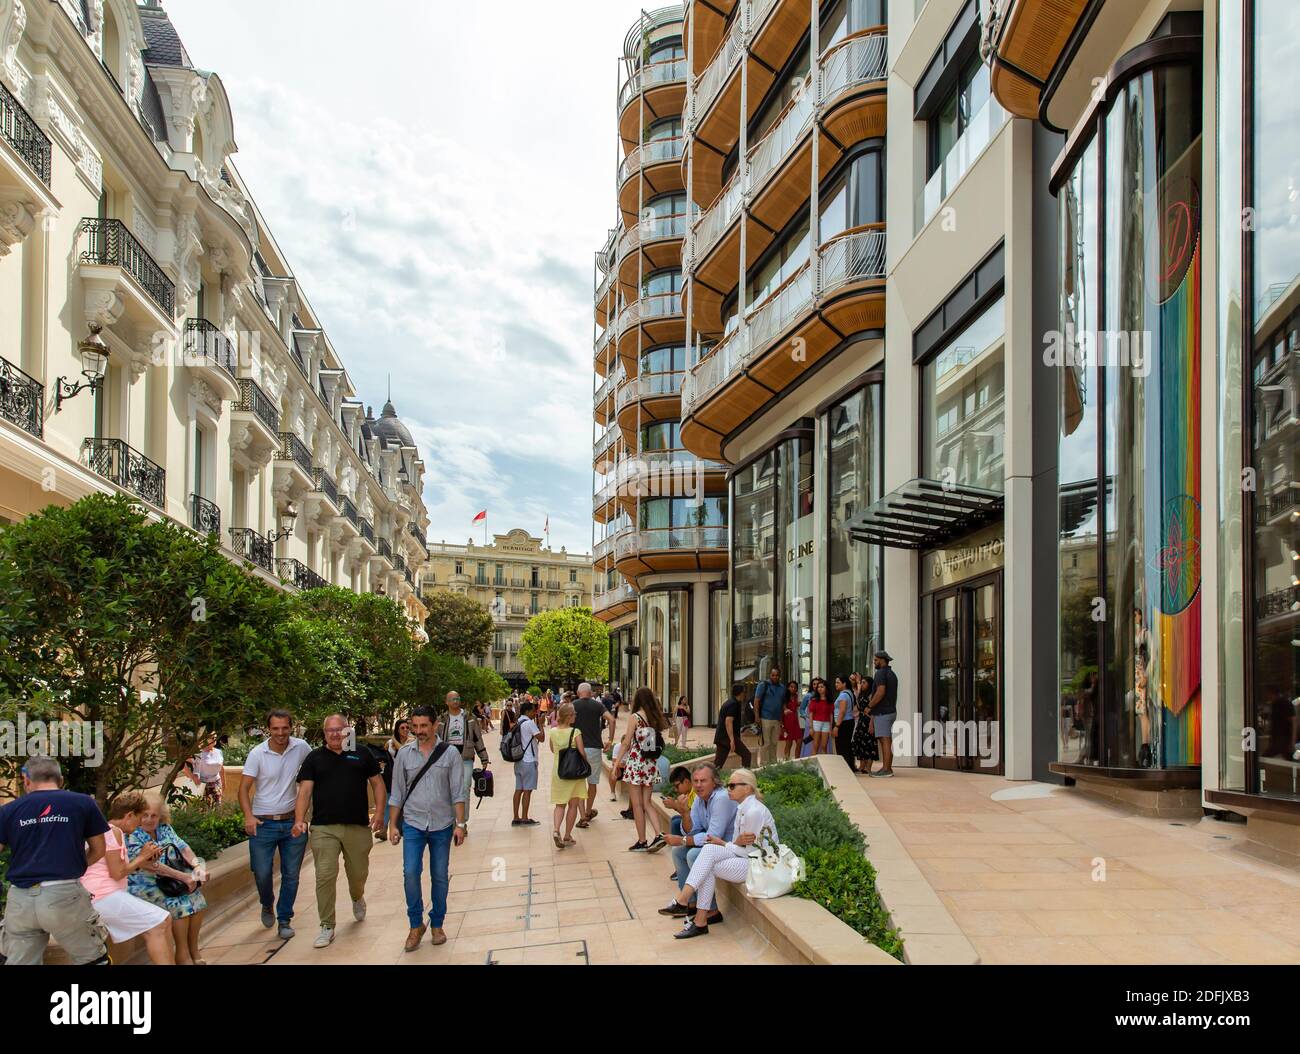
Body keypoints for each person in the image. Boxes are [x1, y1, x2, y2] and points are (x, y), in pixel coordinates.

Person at [0, 757, 112, 965]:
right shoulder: (83, 803)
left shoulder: (8, 810)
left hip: (20, 900)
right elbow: (99, 850)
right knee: (91, 959)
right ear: (60, 781)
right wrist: (71, 866)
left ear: (26, 781)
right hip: (64, 896)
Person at [293, 714, 386, 948]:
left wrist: (380, 813)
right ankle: (327, 925)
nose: (335, 734)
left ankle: (357, 896)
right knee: (325, 875)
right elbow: (304, 792)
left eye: (339, 729)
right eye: (329, 731)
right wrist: (299, 820)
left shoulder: (361, 753)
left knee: (358, 873)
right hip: (324, 827)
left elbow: (378, 784)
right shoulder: (314, 758)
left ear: (347, 730)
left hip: (357, 825)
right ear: (324, 733)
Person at [388, 704, 468, 952]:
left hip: (442, 824)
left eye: (424, 726)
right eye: (415, 726)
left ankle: (437, 923)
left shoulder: (449, 754)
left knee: (440, 876)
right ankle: (415, 925)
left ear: (435, 726)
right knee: (410, 873)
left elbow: (458, 791)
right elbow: (397, 793)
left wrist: (460, 824)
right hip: (413, 822)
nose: (419, 731)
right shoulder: (404, 754)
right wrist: (392, 825)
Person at [666, 769, 779, 939]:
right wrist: (730, 844)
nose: (728, 789)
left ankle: (691, 910)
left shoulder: (753, 812)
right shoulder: (742, 808)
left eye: (732, 786)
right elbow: (736, 843)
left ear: (748, 788)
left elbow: (750, 853)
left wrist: (726, 844)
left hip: (761, 865)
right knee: (709, 852)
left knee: (708, 862)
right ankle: (696, 915)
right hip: (747, 858)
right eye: (728, 785)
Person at [239, 709, 311, 940]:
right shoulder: (257, 754)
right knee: (261, 873)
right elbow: (243, 789)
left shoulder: (301, 748)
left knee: (292, 875)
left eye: (285, 728)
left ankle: (284, 919)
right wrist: (248, 816)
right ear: (268, 729)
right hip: (263, 824)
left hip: (293, 823)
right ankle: (267, 903)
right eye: (275, 729)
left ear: (291, 727)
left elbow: (317, 772)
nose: (280, 733)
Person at [79, 792, 175, 964]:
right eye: (139, 817)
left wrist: (144, 859)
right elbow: (117, 873)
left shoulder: (108, 831)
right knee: (159, 924)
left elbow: (118, 869)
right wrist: (141, 857)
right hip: (101, 896)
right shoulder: (112, 831)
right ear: (129, 815)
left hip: (100, 895)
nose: (140, 824)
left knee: (163, 920)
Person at [126, 796, 208, 965]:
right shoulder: (133, 834)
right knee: (178, 904)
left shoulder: (165, 828)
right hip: (145, 883)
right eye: (145, 815)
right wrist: (184, 877)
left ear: (160, 816)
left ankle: (194, 950)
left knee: (198, 900)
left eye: (154, 815)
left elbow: (184, 848)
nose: (149, 820)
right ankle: (182, 954)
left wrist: (197, 867)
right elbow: (150, 865)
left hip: (170, 881)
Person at [658, 763, 737, 904]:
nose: (699, 785)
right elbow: (692, 830)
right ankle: (690, 903)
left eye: (703, 781)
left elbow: (713, 836)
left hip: (730, 847)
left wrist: (683, 840)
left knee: (693, 855)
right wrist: (684, 813)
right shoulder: (700, 798)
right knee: (678, 852)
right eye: (696, 781)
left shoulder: (721, 798)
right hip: (714, 846)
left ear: (714, 782)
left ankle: (710, 910)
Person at [613, 687, 669, 852]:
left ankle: (642, 840)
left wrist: (616, 763)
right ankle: (659, 834)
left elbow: (626, 742)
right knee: (647, 802)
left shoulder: (635, 717)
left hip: (637, 762)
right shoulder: (654, 717)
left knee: (637, 804)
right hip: (650, 763)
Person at [572, 682, 615, 829]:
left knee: (579, 783)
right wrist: (610, 739)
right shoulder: (597, 706)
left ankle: (582, 815)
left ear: (578, 693)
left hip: (577, 748)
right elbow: (612, 719)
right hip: (594, 748)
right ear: (590, 693)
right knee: (592, 782)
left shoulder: (573, 705)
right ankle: (589, 810)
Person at [435, 691, 490, 805]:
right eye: (452, 699)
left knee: (465, 787)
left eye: (457, 699)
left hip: (465, 757)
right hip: (447, 758)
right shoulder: (441, 720)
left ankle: (462, 820)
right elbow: (436, 739)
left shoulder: (469, 718)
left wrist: (483, 757)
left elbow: (477, 738)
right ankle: (452, 818)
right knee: (448, 790)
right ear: (446, 702)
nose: (455, 701)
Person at [549, 702, 587, 849]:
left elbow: (553, 750)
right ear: (569, 716)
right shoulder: (575, 732)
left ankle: (556, 830)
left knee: (560, 804)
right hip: (575, 773)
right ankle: (567, 835)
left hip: (559, 772)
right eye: (574, 714)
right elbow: (582, 752)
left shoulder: (552, 732)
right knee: (573, 804)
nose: (575, 716)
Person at [865, 651, 898, 777]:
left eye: (875, 660)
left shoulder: (880, 673)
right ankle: (886, 767)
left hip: (883, 712)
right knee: (886, 740)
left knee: (885, 741)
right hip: (890, 711)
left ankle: (886, 769)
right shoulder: (891, 674)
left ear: (882, 660)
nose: (874, 663)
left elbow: (880, 692)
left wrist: (869, 706)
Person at [512, 701, 544, 826]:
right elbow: (541, 738)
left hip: (519, 760)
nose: (534, 712)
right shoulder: (529, 723)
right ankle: (525, 817)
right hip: (529, 760)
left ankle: (516, 817)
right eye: (533, 710)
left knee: (518, 789)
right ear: (527, 711)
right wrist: (540, 724)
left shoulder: (518, 722)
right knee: (527, 790)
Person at [753, 667, 789, 766]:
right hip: (765, 718)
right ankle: (763, 765)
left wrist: (782, 720)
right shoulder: (763, 685)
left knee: (774, 743)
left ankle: (772, 764)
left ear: (780, 676)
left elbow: (782, 704)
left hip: (777, 719)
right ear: (770, 675)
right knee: (766, 743)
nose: (775, 677)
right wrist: (757, 716)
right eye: (773, 675)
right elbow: (756, 701)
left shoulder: (782, 688)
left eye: (777, 675)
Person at [714, 683, 752, 768]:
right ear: (741, 693)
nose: (745, 694)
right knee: (746, 755)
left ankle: (711, 778)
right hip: (726, 737)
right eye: (744, 692)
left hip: (722, 737)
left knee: (718, 764)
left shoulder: (731, 702)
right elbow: (728, 721)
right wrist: (732, 740)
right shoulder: (733, 704)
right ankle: (744, 777)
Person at [185, 736, 225, 805]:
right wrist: (192, 777)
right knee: (202, 809)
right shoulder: (197, 753)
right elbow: (182, 763)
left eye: (215, 737)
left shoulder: (219, 752)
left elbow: (221, 768)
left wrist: (224, 783)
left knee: (217, 808)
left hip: (216, 784)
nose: (214, 739)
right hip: (201, 785)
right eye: (212, 737)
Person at [832, 675, 857, 766]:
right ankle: (850, 766)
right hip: (849, 722)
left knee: (841, 747)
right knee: (847, 746)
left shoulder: (843, 695)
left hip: (843, 723)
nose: (836, 684)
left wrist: (837, 726)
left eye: (838, 682)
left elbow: (842, 711)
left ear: (844, 684)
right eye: (836, 682)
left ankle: (844, 767)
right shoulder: (850, 693)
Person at [808, 680, 834, 756]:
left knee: (824, 746)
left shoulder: (830, 700)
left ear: (826, 688)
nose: (819, 688)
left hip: (826, 724)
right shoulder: (814, 700)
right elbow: (811, 714)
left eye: (822, 687)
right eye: (818, 687)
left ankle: (824, 765)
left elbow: (831, 715)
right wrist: (811, 728)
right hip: (816, 723)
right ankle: (813, 766)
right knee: (815, 746)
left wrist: (830, 728)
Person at [779, 690, 801, 760]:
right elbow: (782, 712)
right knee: (789, 742)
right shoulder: (784, 698)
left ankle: (797, 760)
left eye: (795, 687)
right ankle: (786, 760)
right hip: (787, 722)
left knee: (799, 742)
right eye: (791, 687)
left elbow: (796, 708)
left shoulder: (796, 697)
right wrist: (782, 725)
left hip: (795, 722)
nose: (793, 688)